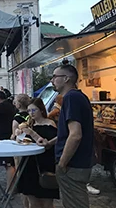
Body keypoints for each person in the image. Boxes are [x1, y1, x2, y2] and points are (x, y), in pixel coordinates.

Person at [38, 65, 94, 208]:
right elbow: (69, 133)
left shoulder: (71, 97)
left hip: (72, 165)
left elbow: (75, 135)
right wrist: (51, 143)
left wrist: (62, 163)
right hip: (77, 163)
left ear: (66, 79)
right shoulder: (77, 96)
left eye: (55, 76)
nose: (52, 80)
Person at [14, 98, 59, 208]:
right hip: (29, 163)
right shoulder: (29, 124)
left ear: (41, 110)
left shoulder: (50, 124)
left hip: (45, 164)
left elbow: (46, 144)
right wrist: (19, 135)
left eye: (34, 110)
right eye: (29, 111)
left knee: (46, 201)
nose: (31, 113)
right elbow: (22, 142)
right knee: (33, 201)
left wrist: (32, 133)